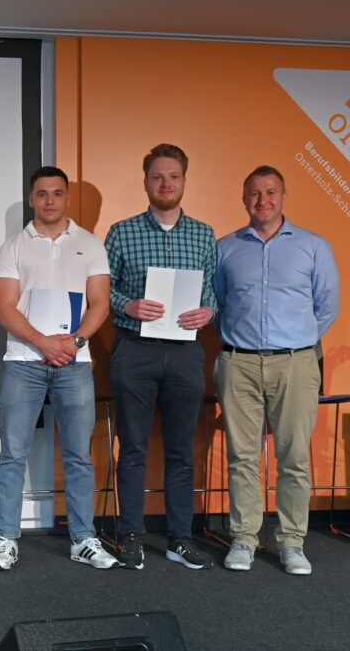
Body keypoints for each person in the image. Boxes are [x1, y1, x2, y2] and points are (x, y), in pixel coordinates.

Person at [0, 166, 118, 571]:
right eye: (42, 194)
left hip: (75, 363)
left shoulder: (90, 244)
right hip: (23, 362)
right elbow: (4, 307)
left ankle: (83, 539)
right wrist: (44, 342)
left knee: (78, 455)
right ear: (31, 199)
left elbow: (100, 302)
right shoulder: (13, 246)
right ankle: (6, 539)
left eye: (57, 193)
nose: (49, 201)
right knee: (13, 454)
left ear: (67, 198)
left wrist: (74, 342)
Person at [215, 166, 339, 575]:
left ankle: (291, 542)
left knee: (295, 457)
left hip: (296, 363)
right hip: (239, 362)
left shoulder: (313, 246)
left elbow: (327, 305)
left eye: (270, 192)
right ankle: (244, 538)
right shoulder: (226, 248)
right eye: (254, 193)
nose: (262, 201)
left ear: (283, 196)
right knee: (242, 457)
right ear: (244, 199)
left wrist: (297, 341)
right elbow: (218, 303)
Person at [105, 143, 216, 570]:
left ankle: (179, 539)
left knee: (181, 450)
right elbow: (103, 290)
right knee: (132, 448)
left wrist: (208, 312)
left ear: (184, 180)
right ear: (146, 182)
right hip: (135, 350)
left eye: (173, 176)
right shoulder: (122, 232)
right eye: (157, 177)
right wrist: (128, 305)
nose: (165, 184)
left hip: (186, 353)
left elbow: (212, 293)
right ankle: (131, 535)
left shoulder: (204, 234)